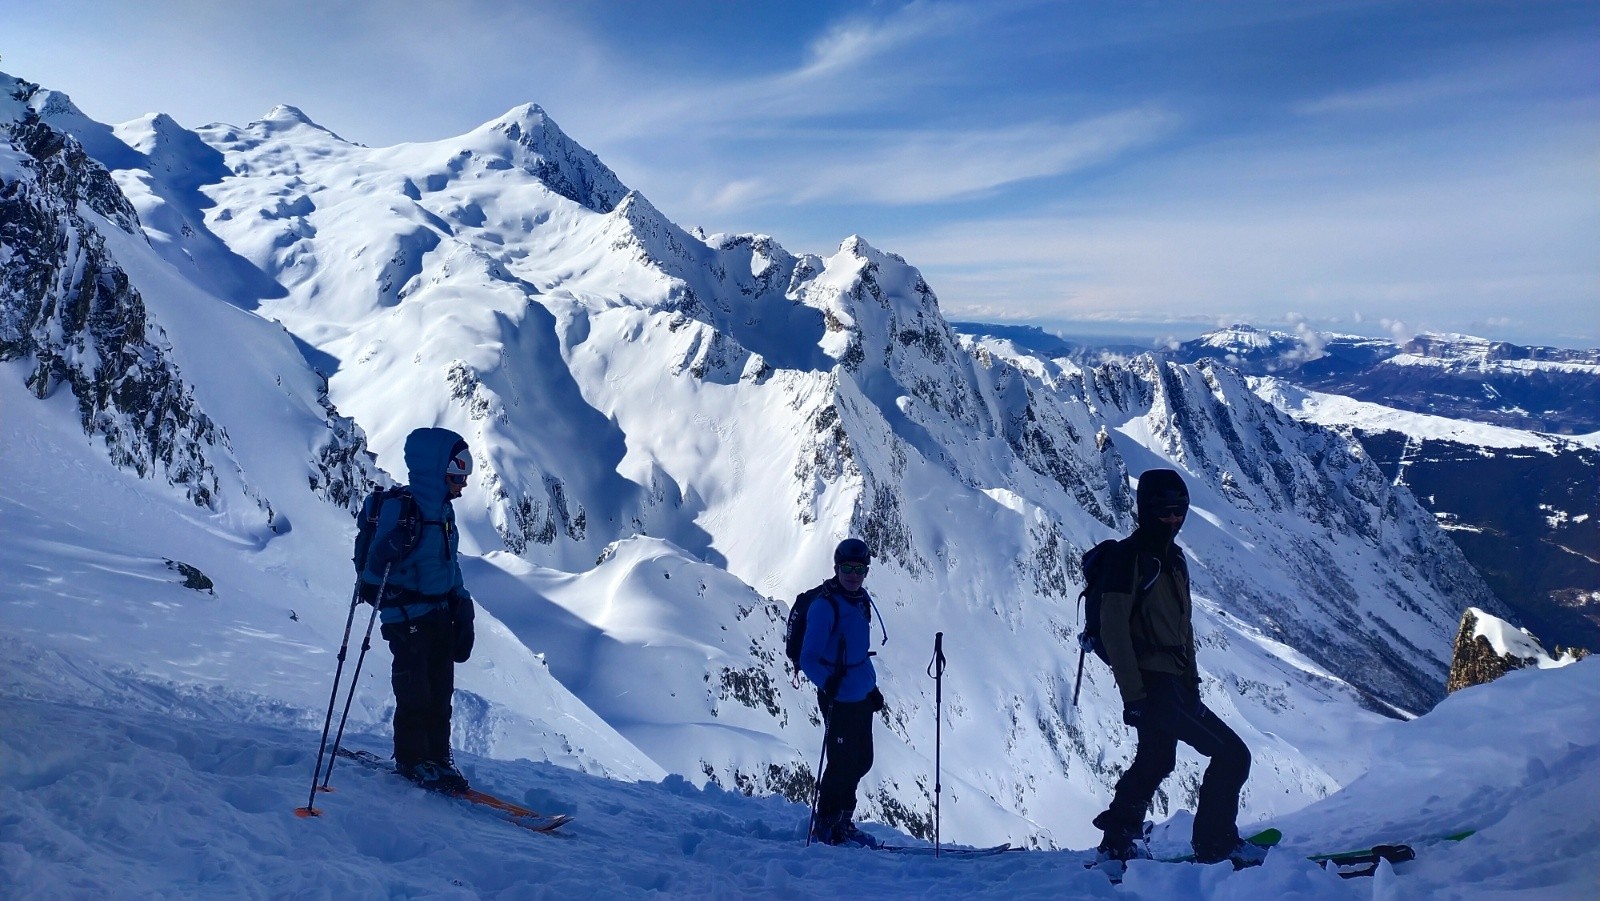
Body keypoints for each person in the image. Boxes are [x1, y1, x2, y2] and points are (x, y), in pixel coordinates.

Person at [1091, 469, 1262, 867]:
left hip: (1172, 682)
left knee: (1157, 759)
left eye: (1179, 512)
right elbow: (1114, 630)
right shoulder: (1127, 558)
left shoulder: (1173, 559)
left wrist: (1191, 684)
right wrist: (1134, 696)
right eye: (1165, 512)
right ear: (1146, 511)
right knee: (1233, 756)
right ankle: (1216, 847)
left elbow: (1183, 629)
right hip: (1153, 684)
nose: (1173, 520)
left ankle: (1116, 843)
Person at [359, 427, 478, 793]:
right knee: (415, 692)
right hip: (406, 617)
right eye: (457, 477)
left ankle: (439, 759)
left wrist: (461, 603)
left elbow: (449, 564)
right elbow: (371, 575)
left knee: (441, 693)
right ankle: (413, 759)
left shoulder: (444, 514)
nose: (462, 486)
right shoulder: (401, 510)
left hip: (439, 614)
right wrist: (385, 552)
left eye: (465, 477)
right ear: (435, 472)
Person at [798, 538, 886, 847]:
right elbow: (808, 658)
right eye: (847, 568)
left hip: (860, 693)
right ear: (837, 568)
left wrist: (871, 688)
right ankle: (826, 824)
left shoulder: (860, 600)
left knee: (862, 760)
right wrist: (828, 684)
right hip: (839, 697)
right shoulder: (825, 606)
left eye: (859, 569)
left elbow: (856, 651)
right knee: (840, 764)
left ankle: (843, 822)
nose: (852, 574)